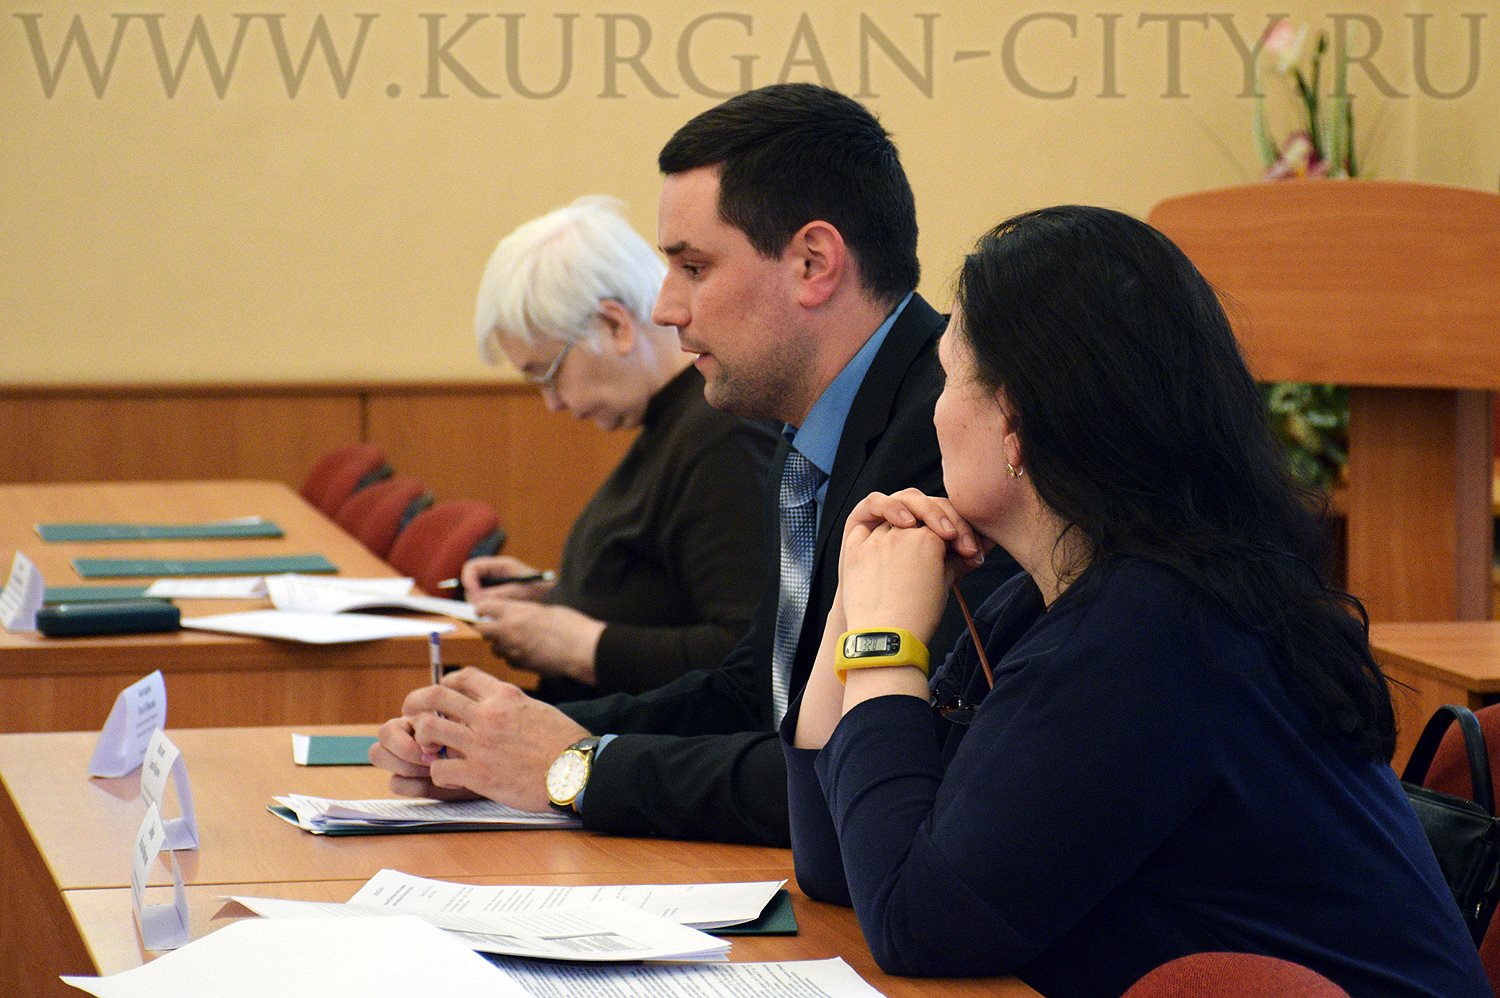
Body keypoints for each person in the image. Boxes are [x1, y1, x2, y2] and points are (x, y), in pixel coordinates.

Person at [785, 206, 1490, 996]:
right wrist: (854, 601)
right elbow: (838, 862)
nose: (935, 410)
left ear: (1013, 421)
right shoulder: (1053, 602)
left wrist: (884, 643)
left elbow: (917, 923)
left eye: (949, 377)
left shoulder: (1154, 631)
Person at [370, 83, 1014, 846]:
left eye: (694, 267)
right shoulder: (809, 429)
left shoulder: (955, 436)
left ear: (813, 263)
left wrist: (579, 767)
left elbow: (869, 772)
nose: (665, 307)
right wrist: (504, 737)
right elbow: (754, 693)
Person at [463, 196, 776, 702]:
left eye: (548, 373)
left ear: (615, 324)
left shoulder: (722, 437)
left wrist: (579, 646)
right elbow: (664, 592)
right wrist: (553, 594)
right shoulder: (673, 423)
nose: (551, 403)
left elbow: (748, 655)